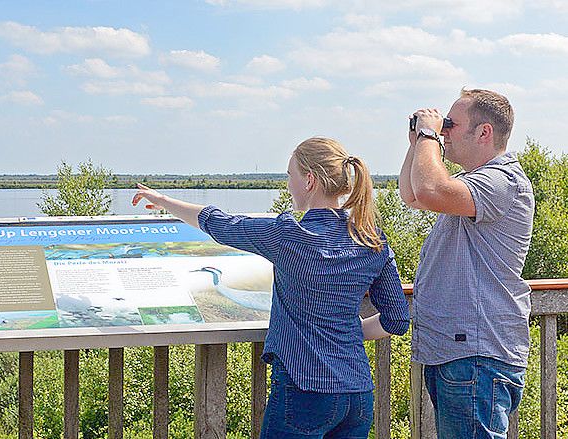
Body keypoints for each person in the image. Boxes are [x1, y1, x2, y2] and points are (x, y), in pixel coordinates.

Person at [133, 137, 410, 438]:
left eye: (290, 175)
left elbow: (220, 224)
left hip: (305, 390)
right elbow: (396, 320)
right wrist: (349, 332)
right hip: (357, 395)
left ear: (309, 180)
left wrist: (163, 202)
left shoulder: (289, 234)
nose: (288, 184)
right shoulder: (372, 240)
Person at [399, 89, 534, 438]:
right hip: (461, 351)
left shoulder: (501, 181)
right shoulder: (473, 184)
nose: (444, 131)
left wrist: (429, 136)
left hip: (477, 352)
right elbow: (413, 194)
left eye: (451, 125)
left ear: (484, 132)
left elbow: (429, 189)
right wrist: (418, 143)